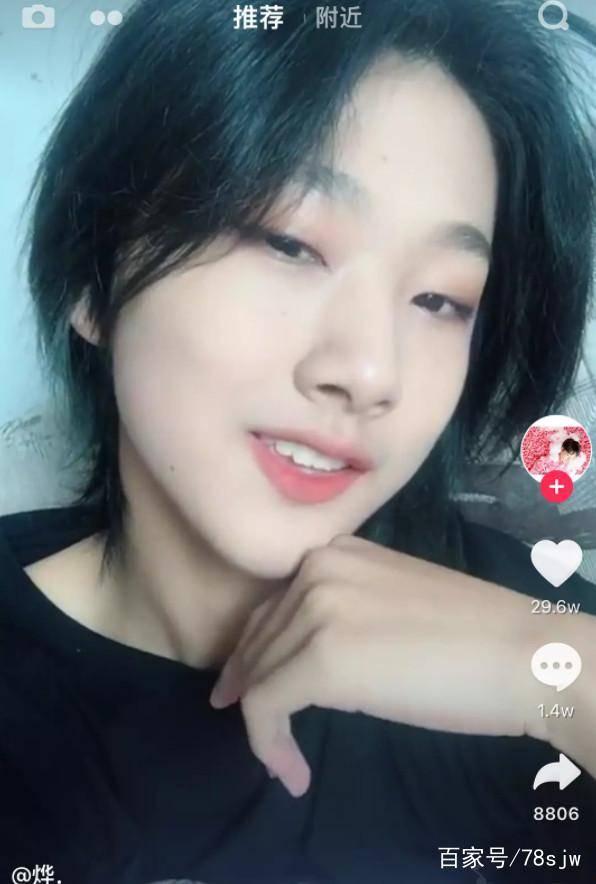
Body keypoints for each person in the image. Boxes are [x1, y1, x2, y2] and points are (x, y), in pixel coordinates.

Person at [1, 1, 596, 882]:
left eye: (441, 299)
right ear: (95, 275)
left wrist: (562, 681)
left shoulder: (543, 626)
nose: (370, 371)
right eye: (289, 242)